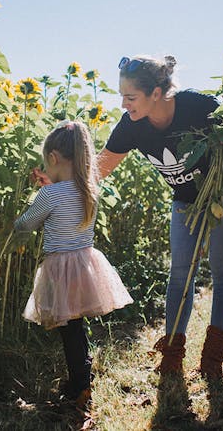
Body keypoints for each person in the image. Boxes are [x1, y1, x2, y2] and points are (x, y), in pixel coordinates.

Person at [96, 55, 223, 379]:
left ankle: (212, 361)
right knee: (180, 272)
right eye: (122, 97)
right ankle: (171, 355)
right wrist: (60, 181)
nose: (124, 104)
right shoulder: (131, 124)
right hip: (186, 201)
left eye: (130, 97)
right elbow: (100, 168)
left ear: (156, 92)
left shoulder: (200, 106)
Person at [15, 120, 133, 410]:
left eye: (47, 163)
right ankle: (82, 376)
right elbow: (64, 199)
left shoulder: (49, 194)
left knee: (69, 331)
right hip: (85, 264)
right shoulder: (88, 188)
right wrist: (50, 185)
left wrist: (15, 222)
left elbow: (27, 224)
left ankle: (79, 386)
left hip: (59, 269)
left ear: (53, 158)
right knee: (76, 327)